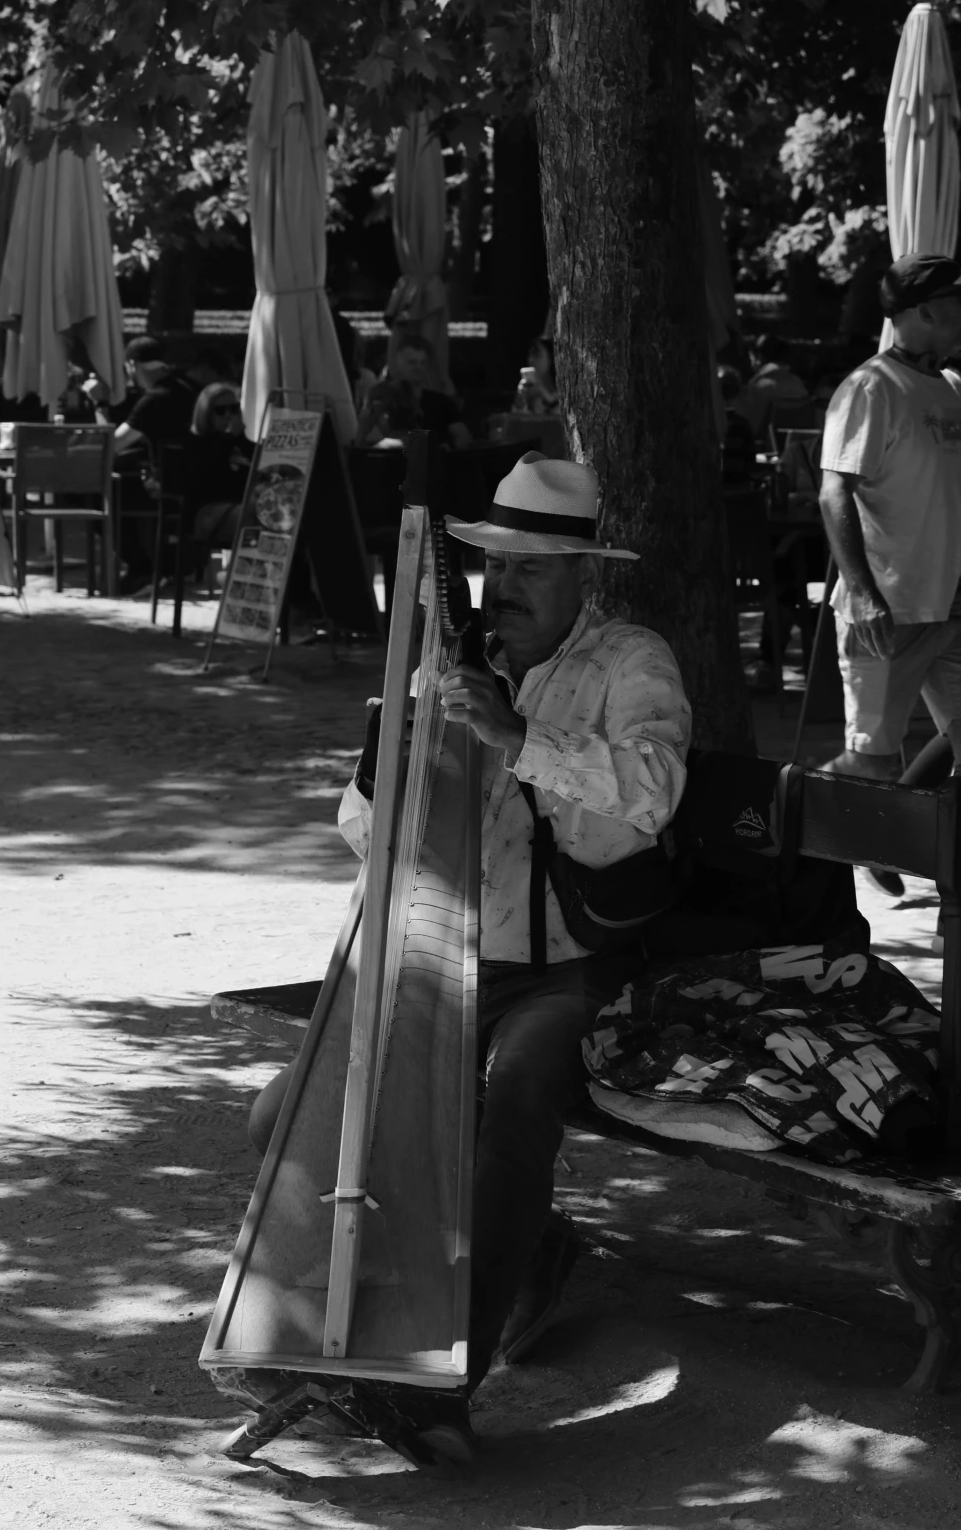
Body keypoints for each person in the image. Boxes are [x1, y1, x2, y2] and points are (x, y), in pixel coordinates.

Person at [245, 454, 691, 1463]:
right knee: (287, 1114)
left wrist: (519, 734)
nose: (512, 587)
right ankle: (331, 1345)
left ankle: (444, 1383)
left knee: (519, 1084)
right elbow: (362, 832)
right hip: (445, 959)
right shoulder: (443, 660)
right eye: (499, 564)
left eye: (536, 567)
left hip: (576, 963)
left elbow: (656, 793)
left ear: (584, 576)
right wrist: (385, 761)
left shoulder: (631, 662)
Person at [818, 254, 961, 955]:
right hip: (890, 609)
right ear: (913, 313)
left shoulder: (948, 386)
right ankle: (798, 818)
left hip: (956, 606)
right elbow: (834, 491)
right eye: (948, 305)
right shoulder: (867, 388)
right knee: (873, 767)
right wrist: (858, 587)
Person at [356, 331, 471, 451]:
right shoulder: (381, 394)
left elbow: (463, 437)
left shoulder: (442, 401)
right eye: (412, 362)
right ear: (398, 363)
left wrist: (446, 449)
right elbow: (362, 433)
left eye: (423, 362)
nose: (418, 367)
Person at [184, 381, 252, 560]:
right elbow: (207, 479)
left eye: (234, 408)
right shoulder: (197, 443)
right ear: (207, 414)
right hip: (207, 513)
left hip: (239, 508)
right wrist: (228, 438)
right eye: (221, 410)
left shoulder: (243, 441)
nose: (229, 415)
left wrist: (239, 438)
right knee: (257, 516)